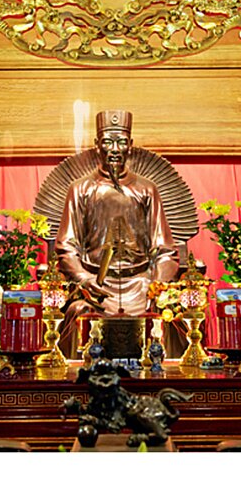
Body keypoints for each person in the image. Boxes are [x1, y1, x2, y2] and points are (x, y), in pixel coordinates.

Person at [55, 110, 179, 352]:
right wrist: (84, 279)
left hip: (140, 284)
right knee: (77, 312)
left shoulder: (147, 190)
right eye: (107, 142)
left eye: (121, 142)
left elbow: (164, 250)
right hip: (96, 287)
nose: (114, 149)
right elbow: (67, 247)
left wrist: (157, 284)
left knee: (169, 315)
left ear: (130, 146)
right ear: (96, 146)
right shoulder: (80, 189)